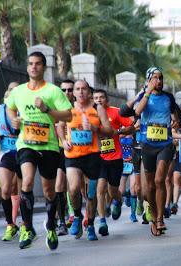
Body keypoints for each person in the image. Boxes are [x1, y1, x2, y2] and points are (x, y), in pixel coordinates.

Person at [6, 51, 72, 250]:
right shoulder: (18, 92)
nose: (33, 67)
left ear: (43, 67)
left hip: (49, 145)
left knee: (49, 191)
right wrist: (13, 119)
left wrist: (47, 110)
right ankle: (27, 228)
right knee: (26, 181)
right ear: (27, 67)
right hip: (26, 143)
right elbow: (10, 107)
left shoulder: (53, 91)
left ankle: (51, 226)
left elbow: (68, 116)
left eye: (37, 64)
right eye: (30, 64)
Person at [135, 66, 181, 236]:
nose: (159, 81)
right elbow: (137, 111)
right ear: (149, 80)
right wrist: (147, 93)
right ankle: (152, 214)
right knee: (148, 187)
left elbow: (179, 117)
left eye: (161, 78)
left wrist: (176, 123)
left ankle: (160, 219)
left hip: (165, 144)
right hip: (147, 145)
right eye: (155, 78)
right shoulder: (143, 96)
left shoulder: (168, 97)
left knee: (159, 180)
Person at [59, 80, 111, 241]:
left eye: (84, 89)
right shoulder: (67, 109)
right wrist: (63, 140)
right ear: (73, 92)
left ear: (89, 92)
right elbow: (59, 126)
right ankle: (76, 215)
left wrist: (95, 128)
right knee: (73, 189)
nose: (81, 92)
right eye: (77, 89)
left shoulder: (97, 108)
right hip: (73, 156)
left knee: (91, 195)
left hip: (93, 156)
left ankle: (90, 225)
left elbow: (109, 130)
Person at [93, 88, 134, 236]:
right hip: (99, 158)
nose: (98, 100)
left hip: (115, 158)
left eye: (101, 97)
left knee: (113, 191)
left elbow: (131, 127)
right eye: (96, 98)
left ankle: (118, 200)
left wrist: (121, 132)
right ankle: (102, 222)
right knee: (100, 189)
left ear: (106, 99)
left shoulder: (116, 112)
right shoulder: (90, 114)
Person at [0, 82, 22, 241]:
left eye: (16, 90)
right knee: (5, 190)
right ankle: (10, 224)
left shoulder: (24, 108)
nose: (12, 92)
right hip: (6, 153)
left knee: (23, 190)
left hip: (23, 151)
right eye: (10, 90)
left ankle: (26, 224)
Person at [55, 79, 75, 236]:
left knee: (76, 187)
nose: (67, 93)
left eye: (70, 90)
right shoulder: (54, 108)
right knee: (59, 185)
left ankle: (78, 216)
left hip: (80, 152)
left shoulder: (81, 108)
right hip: (59, 150)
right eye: (64, 90)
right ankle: (62, 222)